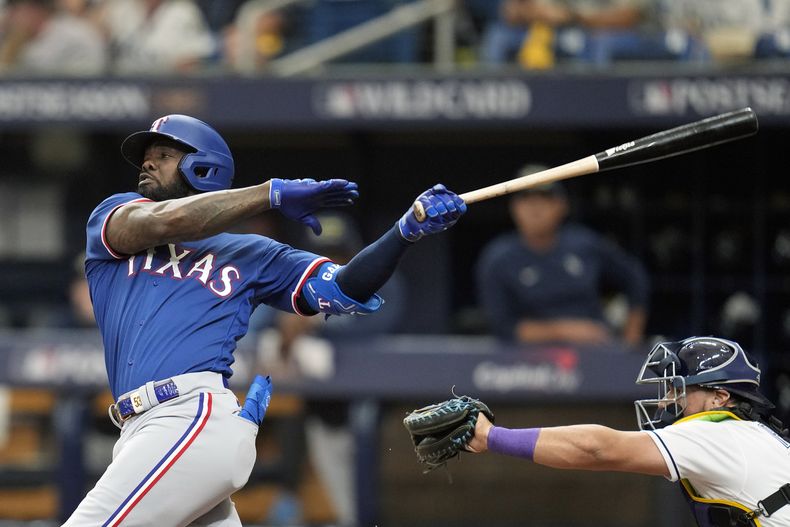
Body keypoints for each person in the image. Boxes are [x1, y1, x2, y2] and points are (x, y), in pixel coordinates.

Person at [67, 113, 466, 526]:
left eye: (163, 155)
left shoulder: (254, 254)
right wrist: (269, 194)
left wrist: (404, 232)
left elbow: (346, 287)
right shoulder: (114, 216)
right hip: (139, 430)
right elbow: (166, 220)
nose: (147, 164)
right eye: (146, 158)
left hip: (188, 417)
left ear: (202, 168)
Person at [467, 336, 790, 527]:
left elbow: (598, 449)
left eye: (680, 390)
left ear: (720, 397)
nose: (667, 401)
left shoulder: (716, 432)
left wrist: (492, 437)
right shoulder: (749, 436)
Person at [475, 168, 649, 346]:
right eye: (526, 199)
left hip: (595, 352)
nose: (535, 207)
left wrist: (631, 337)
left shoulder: (584, 243)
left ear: (562, 205)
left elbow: (635, 277)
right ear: (513, 207)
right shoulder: (498, 257)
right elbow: (502, 326)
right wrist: (566, 331)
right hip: (525, 363)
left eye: (545, 198)